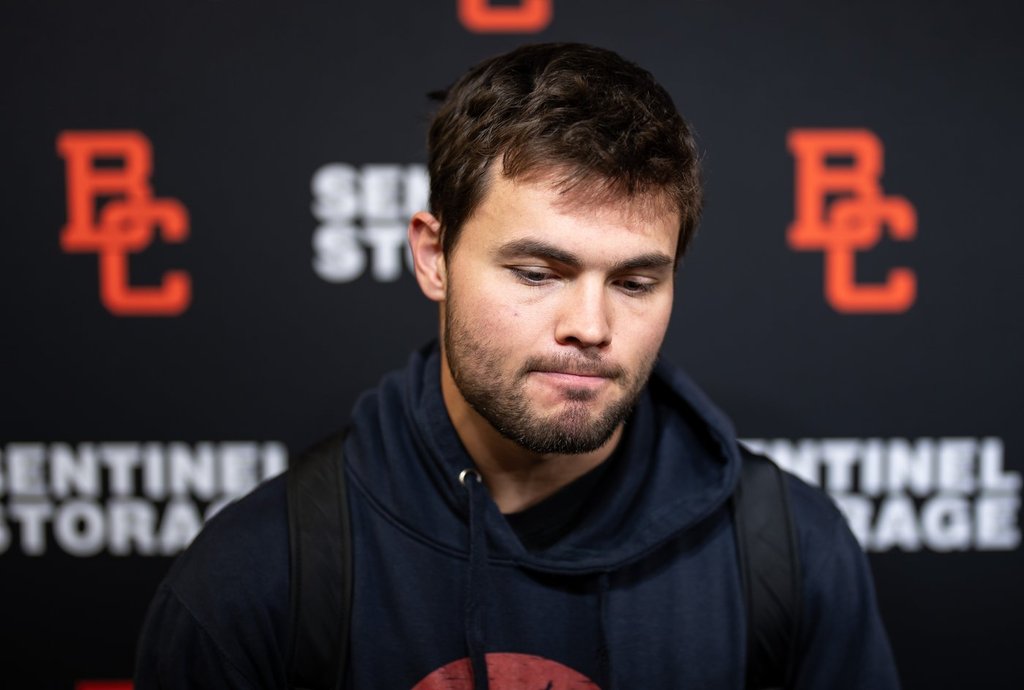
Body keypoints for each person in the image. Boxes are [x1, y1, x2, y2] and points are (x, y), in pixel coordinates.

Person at [135, 43, 900, 689]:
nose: (590, 328)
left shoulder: (789, 554)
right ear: (435, 257)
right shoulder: (259, 578)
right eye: (537, 273)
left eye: (635, 283)